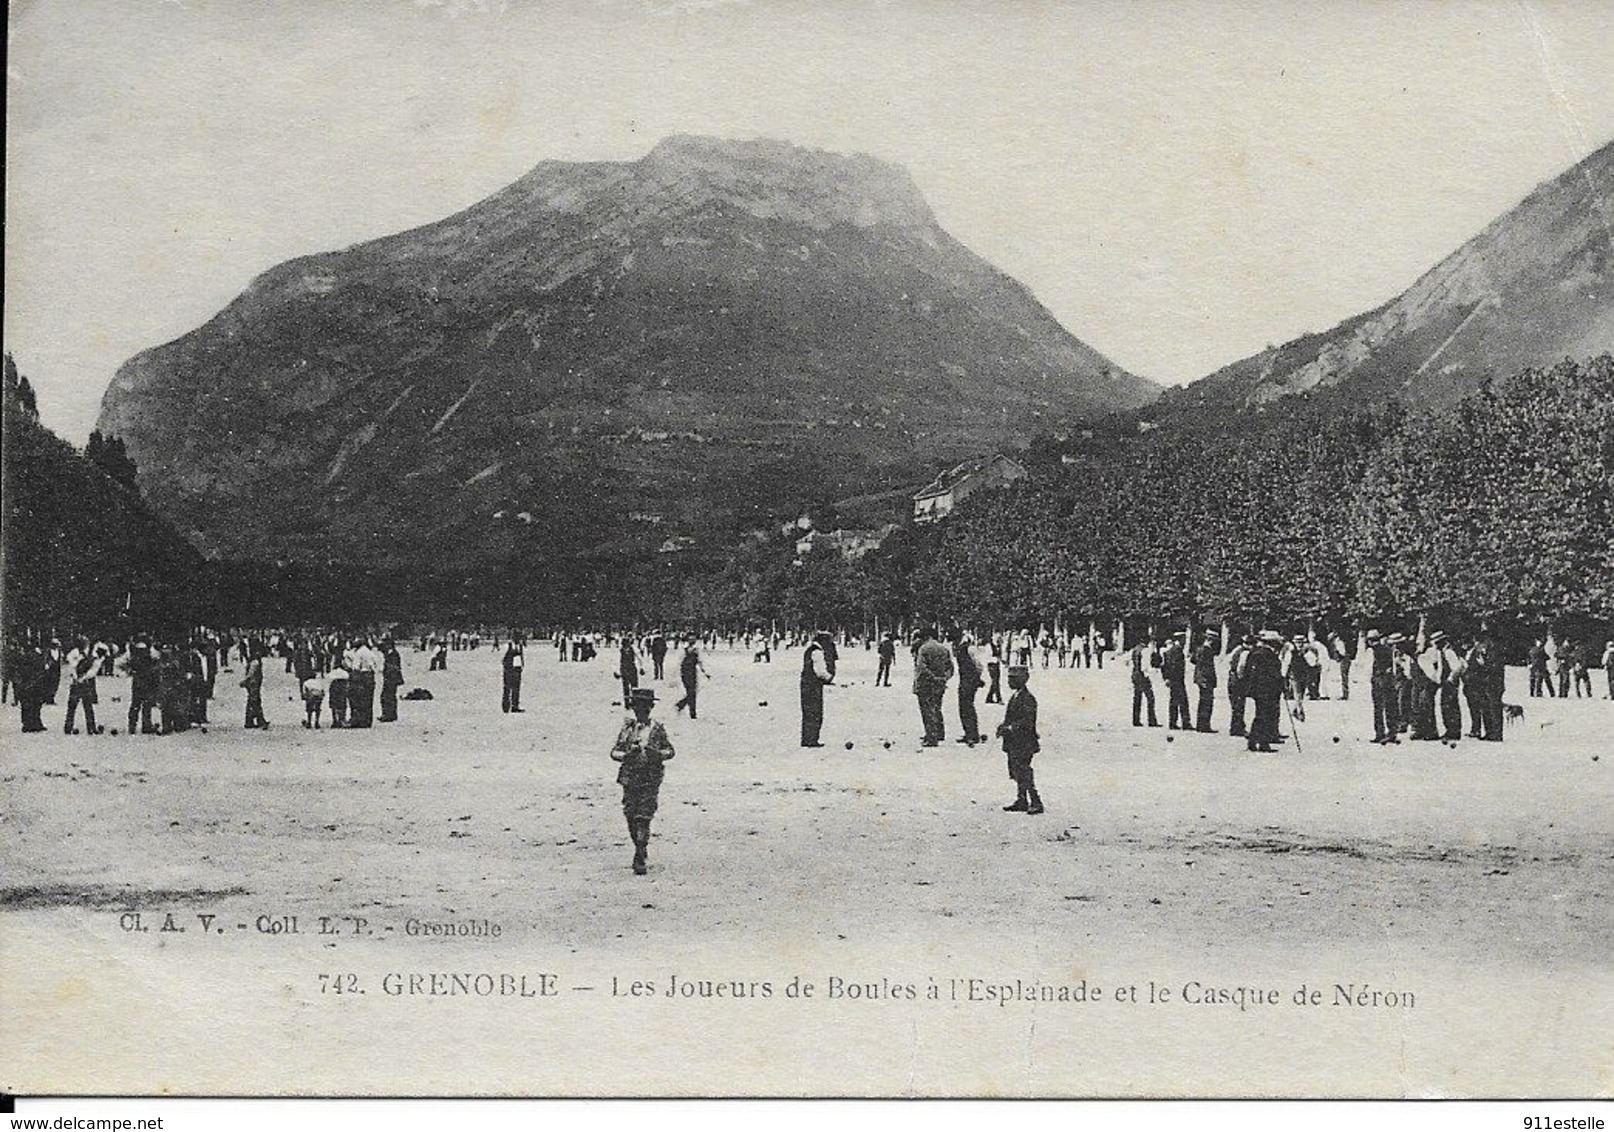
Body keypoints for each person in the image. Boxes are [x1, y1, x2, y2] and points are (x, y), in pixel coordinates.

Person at [610, 688, 675, 875]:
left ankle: (639, 852)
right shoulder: (628, 728)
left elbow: (670, 751)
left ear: (650, 708)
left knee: (644, 816)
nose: (641, 711)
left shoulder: (657, 728)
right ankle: (639, 845)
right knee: (630, 814)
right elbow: (615, 752)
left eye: (645, 707)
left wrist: (657, 755)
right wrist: (627, 756)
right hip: (630, 777)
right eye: (638, 707)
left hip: (650, 777)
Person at [996, 665, 1043, 815]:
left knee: (1024, 770)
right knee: (1016, 769)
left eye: (1013, 679)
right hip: (1014, 742)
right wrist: (1002, 726)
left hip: (1024, 742)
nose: (1009, 681)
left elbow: (1027, 722)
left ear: (1022, 680)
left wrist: (1009, 728)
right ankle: (1021, 800)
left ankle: (1036, 801)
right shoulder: (1015, 696)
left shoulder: (1028, 699)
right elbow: (1010, 717)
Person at [1244, 631, 1286, 753]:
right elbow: (1273, 674)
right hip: (1268, 689)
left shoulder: (1254, 653)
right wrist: (1281, 682)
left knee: (1260, 715)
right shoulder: (1268, 655)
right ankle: (1264, 743)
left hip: (1257, 690)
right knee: (1267, 716)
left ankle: (1252, 741)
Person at [912, 627, 955, 747]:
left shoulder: (924, 649)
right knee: (937, 708)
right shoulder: (944, 649)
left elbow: (922, 667)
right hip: (940, 685)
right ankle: (939, 733)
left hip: (925, 684)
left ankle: (931, 737)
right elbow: (951, 667)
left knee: (927, 710)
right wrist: (944, 678)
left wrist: (933, 678)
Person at [799, 631, 835, 747]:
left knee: (807, 712)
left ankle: (806, 738)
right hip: (813, 685)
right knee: (815, 712)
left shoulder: (809, 650)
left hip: (805, 683)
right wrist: (828, 678)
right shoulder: (817, 652)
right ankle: (812, 739)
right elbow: (820, 671)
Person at [62, 638, 102, 735]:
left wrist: (83, 677)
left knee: (87, 705)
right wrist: (76, 676)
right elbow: (71, 664)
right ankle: (69, 727)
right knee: (73, 705)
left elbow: (94, 669)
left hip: (85, 682)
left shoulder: (92, 654)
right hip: (79, 682)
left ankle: (90, 727)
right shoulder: (76, 653)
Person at [1367, 630, 1400, 745]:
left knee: (1378, 708)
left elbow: (1370, 668)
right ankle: (1392, 732)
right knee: (1390, 706)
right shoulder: (1387, 649)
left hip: (1378, 681)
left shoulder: (1371, 652)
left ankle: (1379, 734)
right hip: (1388, 680)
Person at [952, 630, 984, 745]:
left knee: (965, 708)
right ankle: (972, 733)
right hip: (970, 682)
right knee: (968, 707)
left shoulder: (964, 649)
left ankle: (970, 734)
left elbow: (972, 666)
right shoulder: (968, 649)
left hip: (966, 682)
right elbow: (979, 666)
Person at [126, 635, 159, 735]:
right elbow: (156, 659)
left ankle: (132, 725)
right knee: (147, 704)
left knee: (135, 703)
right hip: (147, 680)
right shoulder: (149, 652)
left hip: (137, 681)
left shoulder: (134, 652)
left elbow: (126, 662)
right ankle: (146, 725)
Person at [1128, 634, 1160, 728]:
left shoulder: (1135, 649)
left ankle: (1136, 720)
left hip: (1135, 675)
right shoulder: (1145, 651)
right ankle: (1151, 720)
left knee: (1137, 698)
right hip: (1142, 676)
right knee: (1150, 698)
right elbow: (1144, 666)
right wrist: (1150, 675)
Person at [1160, 633, 1189, 730]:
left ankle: (1172, 722)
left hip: (1172, 679)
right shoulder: (1178, 650)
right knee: (1183, 702)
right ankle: (1185, 723)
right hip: (1177, 679)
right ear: (1180, 639)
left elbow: (1164, 666)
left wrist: (1166, 678)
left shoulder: (1169, 651)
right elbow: (1174, 666)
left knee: (1174, 701)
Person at [1192, 631, 1219, 732]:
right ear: (1210, 640)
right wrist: (1207, 680)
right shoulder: (1207, 650)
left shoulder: (1199, 648)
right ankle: (1204, 726)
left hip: (1200, 679)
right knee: (1207, 703)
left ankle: (1201, 725)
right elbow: (1207, 668)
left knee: (1203, 702)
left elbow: (1193, 660)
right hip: (1205, 680)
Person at [1226, 633, 1252, 738]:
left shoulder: (1237, 649)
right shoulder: (1245, 653)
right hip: (1238, 681)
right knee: (1239, 704)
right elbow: (1241, 667)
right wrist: (1241, 679)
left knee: (1235, 704)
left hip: (1231, 678)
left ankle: (1237, 726)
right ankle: (1237, 728)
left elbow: (1229, 660)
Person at [675, 639, 706, 719]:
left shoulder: (686, 651)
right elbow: (699, 662)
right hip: (689, 673)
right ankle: (691, 712)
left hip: (687, 673)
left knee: (691, 692)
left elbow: (680, 662)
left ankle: (682, 706)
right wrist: (704, 671)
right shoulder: (693, 651)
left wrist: (704, 671)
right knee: (692, 692)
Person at [241, 643, 268, 730]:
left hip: (253, 685)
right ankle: (259, 721)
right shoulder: (255, 663)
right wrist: (245, 681)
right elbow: (250, 674)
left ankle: (251, 721)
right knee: (255, 702)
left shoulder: (253, 662)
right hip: (253, 685)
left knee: (253, 703)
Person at [380, 638, 404, 722]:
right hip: (392, 678)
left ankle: (388, 715)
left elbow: (392, 667)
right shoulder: (393, 653)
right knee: (390, 696)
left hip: (391, 678)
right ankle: (391, 714)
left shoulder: (393, 654)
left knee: (387, 696)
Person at [1329, 629, 1354, 701]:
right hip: (1345, 658)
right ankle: (1345, 693)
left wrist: (1338, 656)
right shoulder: (1339, 641)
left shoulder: (1338, 642)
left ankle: (1345, 694)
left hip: (1344, 659)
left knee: (1344, 676)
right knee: (1344, 676)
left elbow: (1342, 652)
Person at [501, 640, 525, 713]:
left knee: (516, 689)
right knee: (507, 688)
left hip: (517, 669)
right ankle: (506, 706)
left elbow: (521, 657)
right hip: (509, 670)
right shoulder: (508, 645)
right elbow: (503, 659)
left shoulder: (520, 646)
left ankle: (515, 706)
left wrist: (521, 665)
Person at [618, 636, 641, 708]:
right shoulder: (622, 650)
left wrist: (641, 667)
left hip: (629, 668)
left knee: (632, 686)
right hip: (626, 669)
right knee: (628, 687)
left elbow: (639, 658)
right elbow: (617, 660)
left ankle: (633, 702)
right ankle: (628, 703)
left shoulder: (632, 649)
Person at [984, 636, 1004, 704]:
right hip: (991, 665)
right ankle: (999, 699)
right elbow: (988, 657)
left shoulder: (998, 646)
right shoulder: (989, 646)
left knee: (995, 681)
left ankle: (989, 697)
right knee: (995, 681)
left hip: (997, 664)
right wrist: (996, 659)